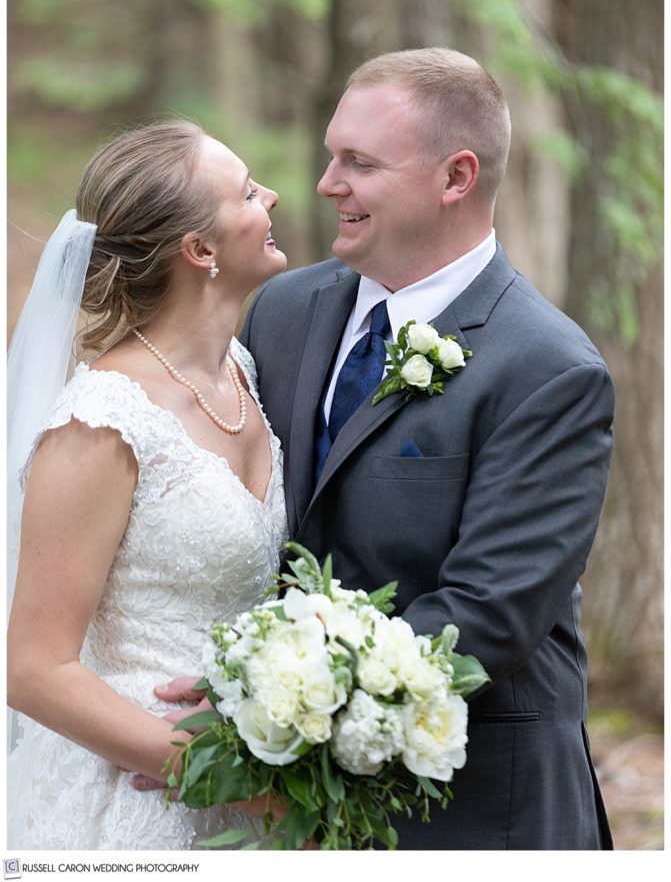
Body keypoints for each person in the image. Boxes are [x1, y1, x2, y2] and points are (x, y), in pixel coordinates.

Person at [155, 48, 615, 850]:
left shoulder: (548, 369)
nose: (327, 183)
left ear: (455, 177)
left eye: (358, 163)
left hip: (469, 812)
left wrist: (256, 705)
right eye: (331, 155)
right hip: (283, 806)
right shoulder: (283, 312)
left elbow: (488, 615)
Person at [6, 119, 290, 849]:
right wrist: (232, 780)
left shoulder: (242, 374)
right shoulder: (101, 421)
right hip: (134, 799)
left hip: (262, 785)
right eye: (250, 192)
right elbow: (36, 669)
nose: (275, 197)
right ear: (199, 250)